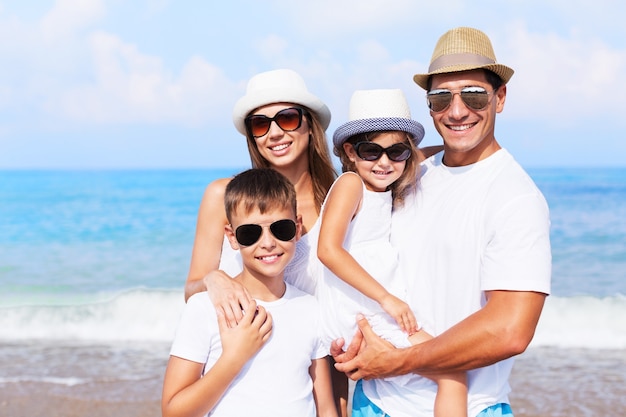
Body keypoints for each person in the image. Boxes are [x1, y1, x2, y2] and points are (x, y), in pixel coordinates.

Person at [331, 27, 552, 417]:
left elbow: (510, 330)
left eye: (473, 95)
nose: (456, 110)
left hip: (466, 405)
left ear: (500, 98)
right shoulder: (410, 170)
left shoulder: (515, 197)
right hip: (376, 400)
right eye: (440, 98)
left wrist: (400, 360)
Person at [317, 89, 467, 417]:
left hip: (372, 311)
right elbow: (328, 250)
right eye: (371, 151)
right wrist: (387, 299)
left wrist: (462, 145)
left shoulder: (381, 188)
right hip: (364, 314)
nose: (384, 162)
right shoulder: (351, 184)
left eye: (396, 151)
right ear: (350, 152)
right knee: (452, 373)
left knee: (434, 378)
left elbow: (423, 154)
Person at [162, 168, 338, 417]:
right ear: (232, 237)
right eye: (250, 233)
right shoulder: (205, 309)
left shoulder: (311, 308)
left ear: (298, 228)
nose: (267, 243)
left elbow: (325, 408)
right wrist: (234, 358)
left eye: (281, 228)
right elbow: (173, 411)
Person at [184, 68, 336, 308]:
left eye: (287, 118)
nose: (274, 133)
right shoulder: (222, 195)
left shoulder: (337, 201)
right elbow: (192, 291)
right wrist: (215, 279)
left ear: (310, 125)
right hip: (237, 341)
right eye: (260, 124)